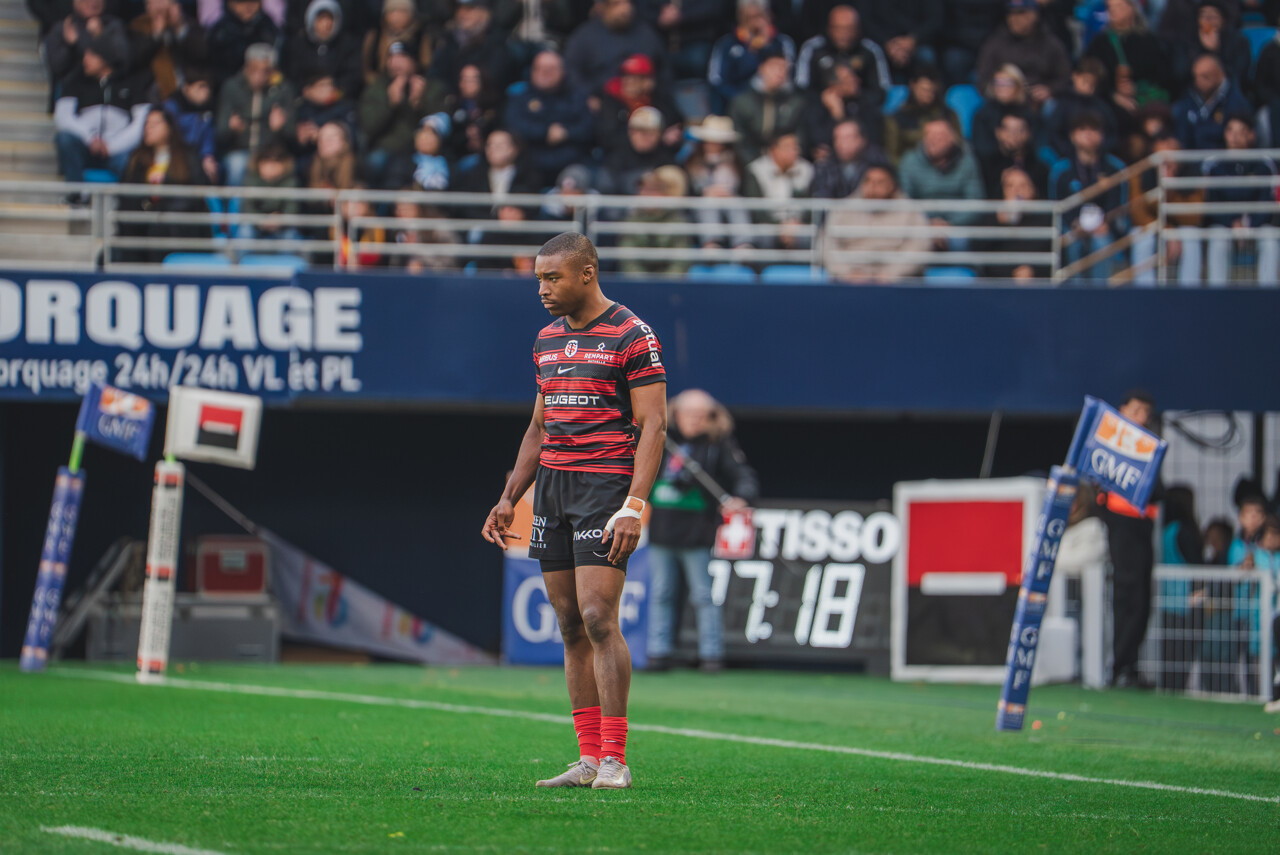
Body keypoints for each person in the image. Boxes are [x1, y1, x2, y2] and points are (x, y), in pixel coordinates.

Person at [481, 232, 667, 790]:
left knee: (597, 618)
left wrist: (635, 504)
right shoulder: (544, 341)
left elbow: (654, 424)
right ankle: (588, 758)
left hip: (605, 487)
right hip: (554, 489)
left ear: (586, 273)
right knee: (567, 624)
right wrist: (509, 496)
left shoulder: (633, 335)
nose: (541, 288)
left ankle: (616, 758)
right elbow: (539, 427)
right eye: (538, 278)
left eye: (552, 277)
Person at [646, 388, 758, 672]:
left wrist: (741, 498)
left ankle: (711, 655)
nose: (696, 420)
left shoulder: (718, 443)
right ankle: (658, 652)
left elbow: (743, 475)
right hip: (662, 530)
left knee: (703, 595)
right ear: (676, 413)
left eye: (702, 415)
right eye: (690, 414)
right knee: (662, 592)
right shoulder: (660, 436)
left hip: (697, 533)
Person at [1097, 389, 1162, 689]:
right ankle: (1120, 667)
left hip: (1142, 526)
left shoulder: (1150, 448)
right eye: (1136, 410)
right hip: (1122, 526)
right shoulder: (1112, 442)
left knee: (1141, 600)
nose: (1142, 417)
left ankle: (1128, 665)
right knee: (1127, 596)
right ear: (1123, 410)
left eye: (1146, 412)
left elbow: (1157, 491)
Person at [54, 40, 149, 195]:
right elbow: (62, 116)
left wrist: (111, 147)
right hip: (86, 146)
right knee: (64, 139)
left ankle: (124, 205)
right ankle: (76, 195)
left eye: (91, 55)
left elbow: (141, 122)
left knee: (131, 160)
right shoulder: (75, 79)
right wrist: (90, 138)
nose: (85, 60)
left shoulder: (131, 82)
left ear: (106, 58)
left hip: (118, 150)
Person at [114, 108, 205, 262]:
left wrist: (163, 209)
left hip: (176, 226)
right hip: (139, 225)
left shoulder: (187, 157)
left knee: (160, 231)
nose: (149, 128)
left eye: (155, 123)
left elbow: (196, 193)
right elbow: (126, 195)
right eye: (146, 124)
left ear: (169, 127)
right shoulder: (136, 159)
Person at [1201, 114, 1279, 285]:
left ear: (1251, 135)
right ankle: (1218, 295)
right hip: (1225, 224)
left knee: (1270, 238)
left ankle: (1268, 296)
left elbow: (1266, 202)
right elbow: (1211, 204)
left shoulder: (1263, 164)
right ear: (1224, 134)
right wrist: (1231, 222)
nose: (1234, 136)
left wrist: (1248, 223)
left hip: (1255, 224)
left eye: (1241, 131)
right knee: (1217, 238)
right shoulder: (1214, 165)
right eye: (1230, 131)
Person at [359, 41, 449, 189]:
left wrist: (419, 104)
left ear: (414, 61)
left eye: (402, 57)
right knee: (375, 163)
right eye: (392, 58)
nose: (395, 63)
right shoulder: (377, 89)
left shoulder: (431, 87)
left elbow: (441, 124)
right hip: (386, 148)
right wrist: (390, 105)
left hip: (421, 151)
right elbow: (368, 126)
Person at [822, 163, 930, 282]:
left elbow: (918, 248)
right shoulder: (843, 210)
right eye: (868, 181)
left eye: (880, 182)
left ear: (892, 185)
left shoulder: (911, 212)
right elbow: (827, 246)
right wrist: (848, 273)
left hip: (897, 284)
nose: (873, 187)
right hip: (849, 283)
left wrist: (891, 274)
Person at [503, 50, 594, 188]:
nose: (545, 73)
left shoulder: (577, 97)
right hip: (529, 164)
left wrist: (566, 132)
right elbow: (514, 126)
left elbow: (589, 127)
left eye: (551, 69)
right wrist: (545, 132)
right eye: (540, 68)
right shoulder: (520, 97)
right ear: (532, 71)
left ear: (562, 71)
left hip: (570, 162)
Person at [215, 43, 295, 187]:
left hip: (270, 153)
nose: (259, 76)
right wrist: (230, 128)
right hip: (239, 149)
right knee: (236, 166)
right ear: (246, 68)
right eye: (254, 70)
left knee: (282, 168)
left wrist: (279, 128)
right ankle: (235, 209)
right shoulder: (232, 88)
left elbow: (291, 136)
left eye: (265, 71)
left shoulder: (283, 90)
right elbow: (220, 135)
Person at [975, 0, 1071, 113]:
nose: (1014, 18)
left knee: (1054, 106)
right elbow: (983, 78)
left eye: (1021, 13)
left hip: (1037, 103)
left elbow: (1064, 78)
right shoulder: (995, 43)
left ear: (1034, 14)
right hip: (1003, 104)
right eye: (1011, 13)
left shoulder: (1050, 44)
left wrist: (1050, 89)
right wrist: (1000, 91)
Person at [563, 0, 666, 97]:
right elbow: (572, 73)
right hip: (602, 102)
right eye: (616, 4)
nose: (625, 9)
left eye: (628, 3)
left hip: (645, 101)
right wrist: (588, 97)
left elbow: (663, 69)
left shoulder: (646, 33)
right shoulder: (583, 37)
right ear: (601, 8)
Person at [707, 0, 795, 110]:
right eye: (750, 17)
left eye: (759, 15)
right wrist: (742, 101)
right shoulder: (727, 44)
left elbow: (789, 78)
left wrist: (766, 45)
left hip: (775, 104)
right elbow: (717, 80)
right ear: (741, 16)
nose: (756, 22)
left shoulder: (781, 42)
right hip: (736, 103)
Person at [681, 115, 753, 249]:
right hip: (701, 206)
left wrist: (727, 193)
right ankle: (711, 243)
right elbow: (688, 191)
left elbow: (743, 188)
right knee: (707, 203)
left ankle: (743, 244)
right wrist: (704, 192)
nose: (712, 145)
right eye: (709, 141)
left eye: (717, 141)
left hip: (729, 201)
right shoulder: (691, 163)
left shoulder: (736, 163)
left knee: (737, 203)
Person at [727, 45, 806, 163]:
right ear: (761, 68)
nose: (780, 72)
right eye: (774, 66)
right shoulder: (742, 102)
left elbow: (801, 138)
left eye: (784, 68)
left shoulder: (795, 103)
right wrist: (756, 164)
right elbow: (739, 140)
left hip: (786, 162)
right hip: (750, 164)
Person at [794, 5, 888, 102]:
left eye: (849, 29)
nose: (844, 34)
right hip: (820, 110)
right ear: (829, 28)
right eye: (838, 28)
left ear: (858, 29)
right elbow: (801, 89)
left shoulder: (870, 50)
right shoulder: (813, 49)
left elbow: (881, 92)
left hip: (861, 110)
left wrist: (856, 93)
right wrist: (830, 94)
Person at [127, 0, 207, 100]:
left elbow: (201, 53)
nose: (159, 8)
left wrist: (179, 27)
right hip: (152, 93)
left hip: (189, 89)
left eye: (162, 2)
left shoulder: (188, 25)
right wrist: (157, 36)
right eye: (153, 3)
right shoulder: (138, 26)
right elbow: (136, 59)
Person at [282, 0, 363, 100]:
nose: (326, 24)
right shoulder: (298, 46)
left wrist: (334, 93)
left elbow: (352, 78)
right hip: (304, 100)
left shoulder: (348, 46)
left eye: (330, 19)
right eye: (321, 19)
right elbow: (291, 76)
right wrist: (308, 91)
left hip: (338, 101)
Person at [619, 166, 693, 276]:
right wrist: (641, 284)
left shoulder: (677, 221)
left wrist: (663, 285)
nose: (645, 194)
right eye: (642, 189)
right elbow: (628, 260)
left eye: (652, 190)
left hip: (670, 287)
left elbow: (680, 263)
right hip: (636, 287)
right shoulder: (631, 221)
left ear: (664, 194)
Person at [1172, 53, 1251, 150]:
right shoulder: (1187, 102)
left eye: (1205, 76)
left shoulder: (1236, 103)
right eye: (1195, 76)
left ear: (1220, 74)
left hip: (1223, 161)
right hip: (1191, 161)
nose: (1199, 81)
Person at [882, 63, 959, 163]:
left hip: (946, 170)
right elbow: (892, 156)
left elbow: (959, 146)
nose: (928, 95)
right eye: (924, 90)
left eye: (931, 91)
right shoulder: (897, 119)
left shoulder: (948, 115)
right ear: (913, 86)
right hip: (909, 173)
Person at [860, 0, 943, 84]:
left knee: (926, 55)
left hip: (917, 42)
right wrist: (887, 43)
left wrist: (913, 39)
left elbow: (935, 19)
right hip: (883, 42)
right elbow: (866, 21)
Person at [206, 0, 279, 89]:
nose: (248, 6)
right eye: (241, 2)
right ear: (229, 3)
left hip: (264, 89)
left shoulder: (268, 28)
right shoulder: (220, 33)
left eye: (253, 1)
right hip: (228, 90)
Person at [810, 117, 888, 199]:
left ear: (861, 139)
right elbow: (820, 197)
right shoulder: (825, 166)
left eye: (847, 138)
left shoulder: (877, 162)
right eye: (837, 138)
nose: (841, 143)